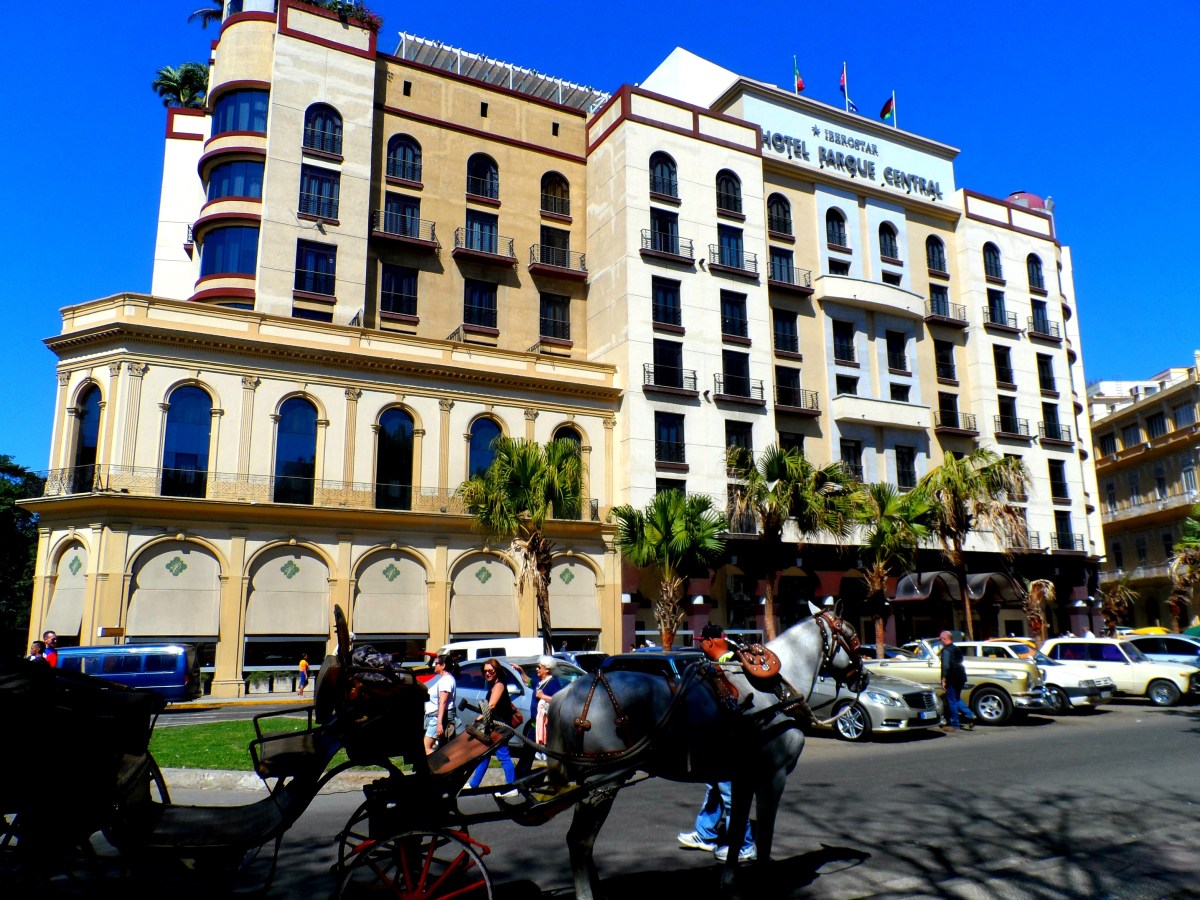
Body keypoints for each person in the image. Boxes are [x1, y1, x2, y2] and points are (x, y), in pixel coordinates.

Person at [677, 623, 756, 863]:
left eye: (702, 640)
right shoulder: (721, 664)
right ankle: (706, 834)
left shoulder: (731, 666)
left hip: (731, 742)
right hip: (718, 739)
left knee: (730, 794)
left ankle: (744, 845)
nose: (700, 645)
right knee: (715, 789)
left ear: (711, 642)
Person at [467, 658, 517, 789]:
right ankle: (474, 784)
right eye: (485, 671)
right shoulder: (495, 685)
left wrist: (480, 717)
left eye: (491, 671)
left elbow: (492, 704)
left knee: (503, 756)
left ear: (497, 671)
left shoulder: (499, 685)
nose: (487, 673)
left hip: (500, 728)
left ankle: (512, 787)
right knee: (485, 755)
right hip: (494, 726)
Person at [514, 655, 562, 776]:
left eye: (539, 667)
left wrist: (543, 697)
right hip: (534, 723)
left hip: (546, 725)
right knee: (528, 750)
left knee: (534, 751)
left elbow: (559, 700)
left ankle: (523, 775)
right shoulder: (538, 681)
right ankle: (521, 774)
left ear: (546, 670)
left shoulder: (553, 683)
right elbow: (527, 681)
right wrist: (521, 671)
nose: (537, 669)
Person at [939, 630, 976, 731]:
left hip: (952, 678)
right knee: (956, 698)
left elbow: (945, 666)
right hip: (961, 677)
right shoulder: (957, 649)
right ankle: (970, 715)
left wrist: (943, 679)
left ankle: (955, 723)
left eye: (941, 639)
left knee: (951, 701)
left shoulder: (946, 650)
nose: (940, 641)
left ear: (944, 639)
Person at [423, 654, 460, 754]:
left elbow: (443, 702)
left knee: (426, 747)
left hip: (438, 717)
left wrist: (439, 724)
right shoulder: (444, 679)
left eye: (436, 663)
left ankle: (441, 767)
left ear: (443, 665)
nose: (435, 666)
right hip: (435, 716)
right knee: (442, 748)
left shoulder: (446, 680)